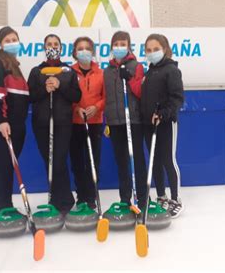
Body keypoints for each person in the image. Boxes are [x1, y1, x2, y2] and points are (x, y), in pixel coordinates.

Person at [27, 34, 81, 215]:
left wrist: (60, 86)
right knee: (48, 162)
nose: (52, 46)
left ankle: (64, 201)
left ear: (60, 48)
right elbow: (31, 96)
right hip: (41, 124)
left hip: (63, 124)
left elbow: (76, 96)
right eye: (49, 44)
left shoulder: (68, 71)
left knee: (58, 161)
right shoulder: (36, 71)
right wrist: (44, 89)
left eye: (55, 44)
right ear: (44, 47)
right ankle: (55, 200)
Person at [0, 26, 29, 235]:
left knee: (9, 166)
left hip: (18, 127)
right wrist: (1, 120)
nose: (12, 42)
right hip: (6, 127)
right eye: (8, 40)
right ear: (1, 44)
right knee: (3, 165)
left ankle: (7, 205)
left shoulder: (15, 67)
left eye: (15, 39)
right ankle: (0, 208)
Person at [141, 33, 185, 218]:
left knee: (168, 159)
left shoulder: (171, 70)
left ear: (165, 49)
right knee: (155, 161)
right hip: (149, 125)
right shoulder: (149, 72)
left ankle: (176, 199)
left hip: (166, 124)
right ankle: (161, 196)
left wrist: (163, 113)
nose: (152, 53)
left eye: (156, 49)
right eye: (148, 50)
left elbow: (177, 98)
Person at [103, 31, 147, 209]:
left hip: (133, 120)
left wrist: (128, 78)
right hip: (114, 122)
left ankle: (143, 198)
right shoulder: (106, 71)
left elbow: (140, 93)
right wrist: (106, 120)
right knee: (121, 161)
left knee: (136, 160)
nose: (119, 47)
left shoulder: (137, 66)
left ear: (129, 46)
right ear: (112, 47)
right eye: (116, 44)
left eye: (123, 44)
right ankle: (125, 198)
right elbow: (106, 97)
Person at [69, 36, 105, 209]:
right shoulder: (68, 72)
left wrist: (97, 107)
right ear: (75, 52)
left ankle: (91, 197)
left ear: (92, 51)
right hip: (75, 123)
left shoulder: (101, 73)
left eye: (87, 48)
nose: (84, 51)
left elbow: (106, 98)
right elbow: (67, 98)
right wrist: (76, 109)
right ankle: (81, 196)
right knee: (77, 161)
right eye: (80, 48)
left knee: (92, 160)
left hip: (95, 122)